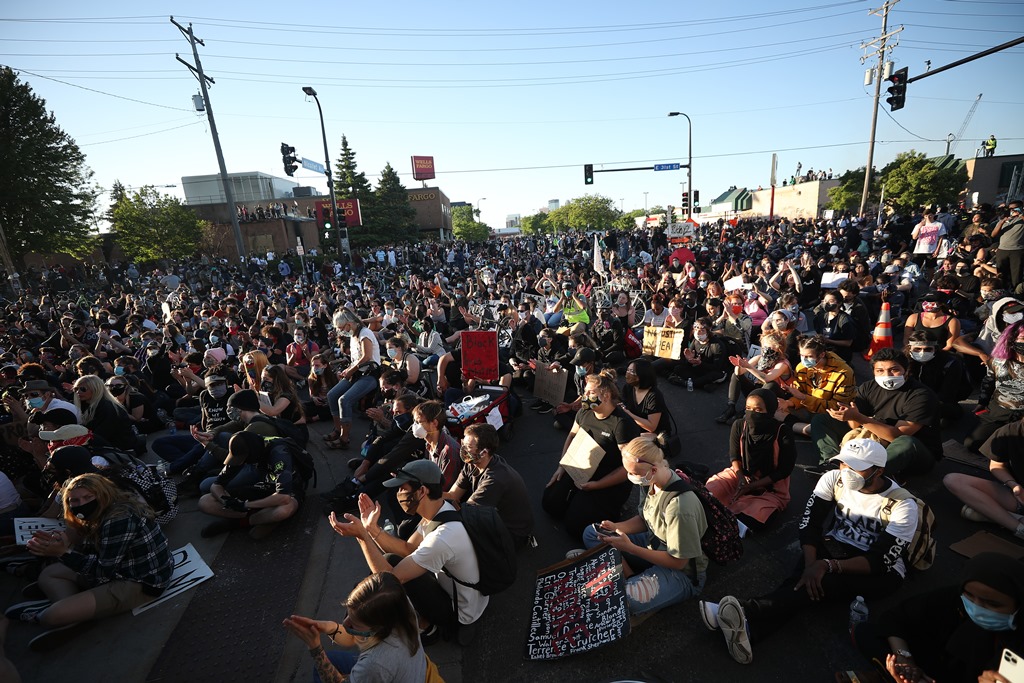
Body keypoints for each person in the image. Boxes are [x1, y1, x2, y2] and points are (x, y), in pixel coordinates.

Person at [698, 439, 918, 665]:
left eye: (855, 467)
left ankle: (744, 611)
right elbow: (810, 524)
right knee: (807, 583)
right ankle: (749, 632)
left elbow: (879, 560)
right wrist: (811, 565)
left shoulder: (904, 506)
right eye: (843, 464)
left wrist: (825, 566)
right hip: (837, 546)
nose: (846, 471)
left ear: (878, 470)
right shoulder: (833, 479)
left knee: (820, 584)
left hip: (881, 572)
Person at [5, 473, 173, 651]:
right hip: (123, 570)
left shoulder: (119, 519)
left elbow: (103, 571)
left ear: (102, 494)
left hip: (142, 582)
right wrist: (61, 545)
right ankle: (73, 614)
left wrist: (63, 553)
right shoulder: (105, 509)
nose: (81, 504)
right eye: (74, 501)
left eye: (88, 497)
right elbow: (95, 552)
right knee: (49, 574)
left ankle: (65, 610)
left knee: (50, 617)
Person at [329, 460, 488, 646]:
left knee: (390, 574)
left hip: (460, 611)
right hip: (465, 593)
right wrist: (372, 529)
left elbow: (390, 581)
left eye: (402, 488)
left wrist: (362, 537)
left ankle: (428, 628)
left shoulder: (442, 538)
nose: (399, 494)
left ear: (422, 491)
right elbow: (408, 549)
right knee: (392, 560)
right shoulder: (441, 509)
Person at [577, 436, 708, 618]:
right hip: (654, 543)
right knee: (592, 533)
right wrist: (616, 527)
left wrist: (630, 548)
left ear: (653, 469)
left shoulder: (680, 508)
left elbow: (679, 562)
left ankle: (625, 576)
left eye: (633, 473)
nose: (630, 477)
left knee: (624, 600)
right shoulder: (651, 481)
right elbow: (645, 519)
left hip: (682, 573)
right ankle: (631, 577)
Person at [853, 552, 1024, 683]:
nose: (977, 607)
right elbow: (898, 618)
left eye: (992, 604)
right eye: (970, 595)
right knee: (866, 633)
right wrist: (905, 659)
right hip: (934, 661)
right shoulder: (954, 597)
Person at [811, 347, 942, 478]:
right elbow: (854, 426)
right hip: (875, 438)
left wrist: (858, 417)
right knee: (822, 420)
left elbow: (897, 436)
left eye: (894, 370)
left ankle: (867, 476)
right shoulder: (868, 387)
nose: (887, 375)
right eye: (880, 371)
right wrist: (850, 416)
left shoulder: (921, 395)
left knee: (906, 443)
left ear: (906, 371)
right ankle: (832, 465)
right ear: (873, 372)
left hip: (915, 453)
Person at [542, 371, 641, 539]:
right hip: (583, 468)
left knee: (575, 526)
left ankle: (612, 510)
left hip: (608, 479)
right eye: (585, 391)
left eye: (590, 393)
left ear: (606, 396)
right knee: (550, 503)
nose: (584, 396)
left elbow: (627, 469)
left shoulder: (622, 425)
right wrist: (562, 467)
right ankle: (577, 498)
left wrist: (596, 485)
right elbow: (572, 436)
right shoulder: (584, 412)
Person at [282, 572, 427, 683]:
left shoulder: (375, 664)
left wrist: (315, 649)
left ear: (379, 628)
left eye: (355, 623)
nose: (345, 623)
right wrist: (328, 627)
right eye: (348, 614)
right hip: (413, 673)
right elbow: (351, 638)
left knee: (321, 670)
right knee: (332, 659)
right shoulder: (401, 606)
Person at [705, 388, 796, 531]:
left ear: (770, 411)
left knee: (755, 517)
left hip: (771, 487)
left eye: (758, 410)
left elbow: (784, 470)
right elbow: (734, 456)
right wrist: (741, 478)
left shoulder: (783, 432)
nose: (752, 414)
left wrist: (752, 486)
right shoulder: (740, 425)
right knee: (710, 491)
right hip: (740, 475)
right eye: (748, 408)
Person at [444, 423, 535, 549]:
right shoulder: (472, 463)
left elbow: (467, 515)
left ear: (483, 452)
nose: (463, 449)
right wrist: (429, 495)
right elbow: (453, 495)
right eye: (463, 444)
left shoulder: (494, 479)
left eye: (468, 447)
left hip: (512, 533)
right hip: (494, 517)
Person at [198, 430, 301, 539]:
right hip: (261, 486)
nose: (243, 462)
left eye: (244, 459)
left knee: (284, 510)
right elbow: (216, 485)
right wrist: (227, 501)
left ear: (252, 454)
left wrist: (246, 505)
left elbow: (283, 497)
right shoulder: (243, 450)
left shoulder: (279, 453)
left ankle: (240, 522)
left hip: (288, 489)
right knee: (205, 501)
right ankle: (263, 518)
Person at [945, 418, 1024, 540]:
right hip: (1018, 497)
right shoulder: (1010, 430)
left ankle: (997, 516)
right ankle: (1019, 528)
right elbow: (997, 465)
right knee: (953, 480)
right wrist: (1013, 484)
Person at [326, 310, 382, 449]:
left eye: (341, 328)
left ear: (349, 324)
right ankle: (338, 429)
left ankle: (344, 439)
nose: (340, 331)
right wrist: (346, 370)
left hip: (370, 374)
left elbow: (367, 357)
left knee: (344, 400)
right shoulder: (354, 335)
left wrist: (350, 370)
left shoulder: (365, 333)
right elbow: (356, 359)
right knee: (332, 395)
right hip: (357, 373)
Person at [717, 330, 792, 424]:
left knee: (770, 384)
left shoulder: (783, 364)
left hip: (776, 395)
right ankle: (731, 407)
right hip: (759, 390)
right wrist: (739, 366)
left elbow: (767, 378)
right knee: (735, 375)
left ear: (778, 348)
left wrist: (748, 367)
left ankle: (746, 410)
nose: (765, 349)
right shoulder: (759, 358)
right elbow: (739, 372)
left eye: (768, 347)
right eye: (764, 347)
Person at [72, 374, 136, 452]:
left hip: (120, 448)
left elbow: (101, 434)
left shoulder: (107, 407)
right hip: (107, 444)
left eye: (83, 389)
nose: (78, 392)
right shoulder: (88, 405)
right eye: (76, 389)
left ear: (95, 389)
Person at [618, 358, 670, 435]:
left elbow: (652, 427)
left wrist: (628, 414)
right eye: (627, 370)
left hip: (656, 434)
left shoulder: (654, 395)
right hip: (637, 428)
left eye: (632, 371)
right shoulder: (628, 387)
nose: (627, 374)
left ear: (642, 375)